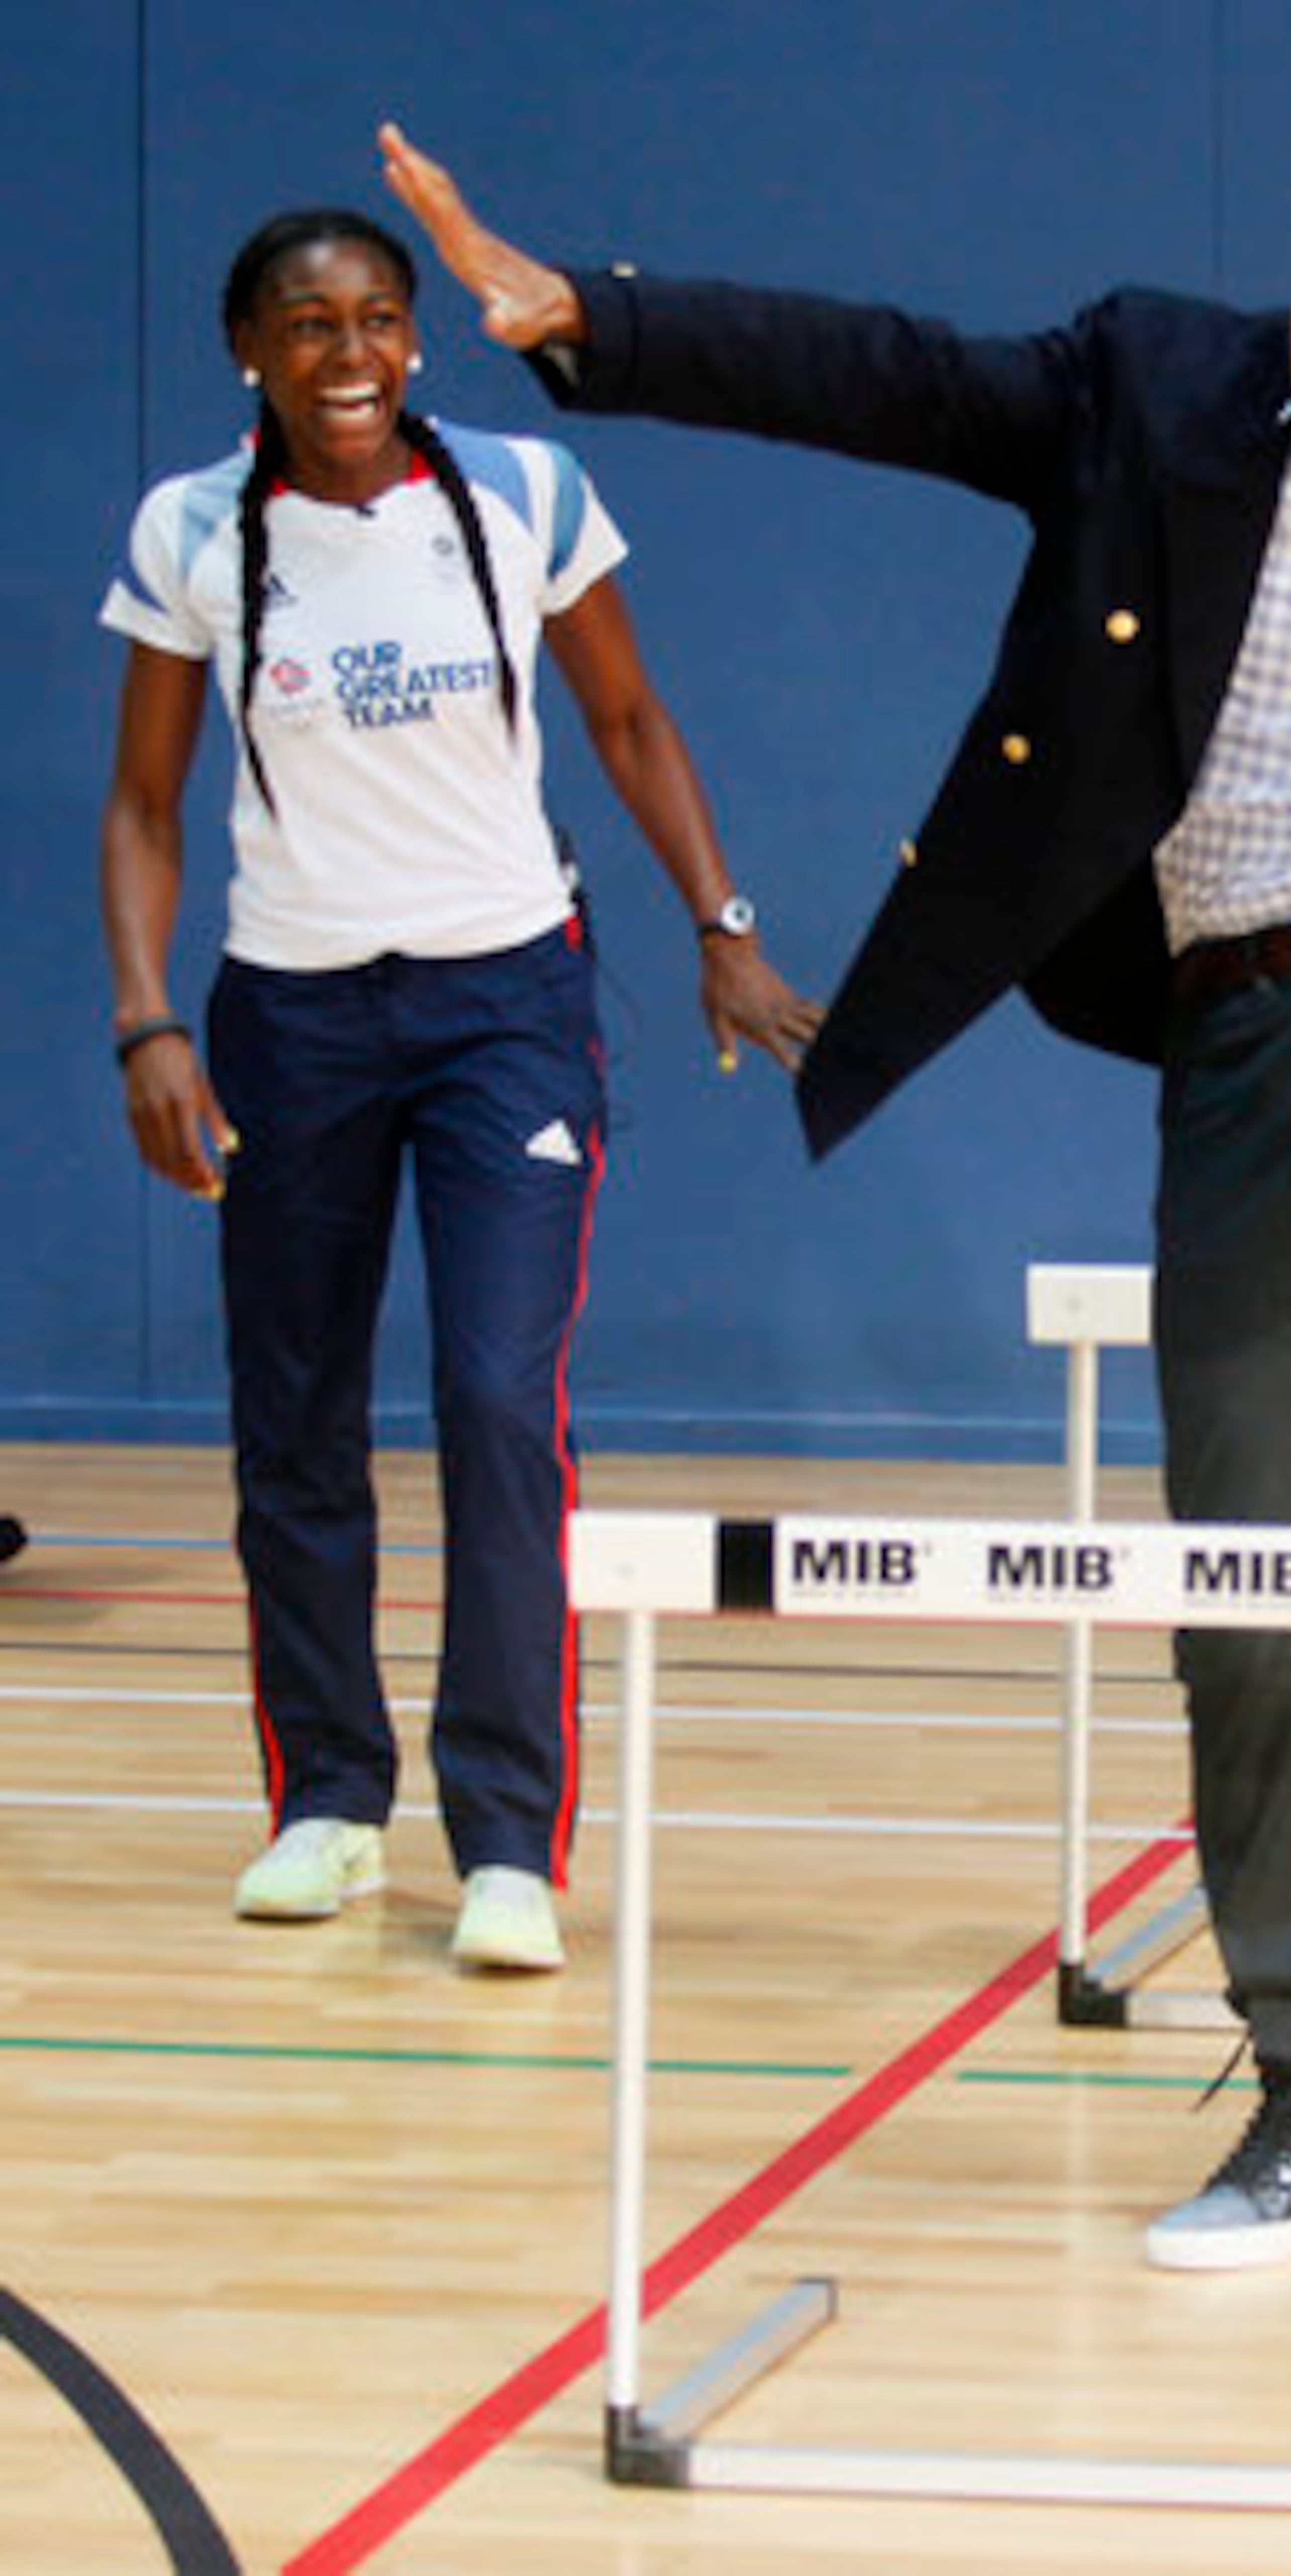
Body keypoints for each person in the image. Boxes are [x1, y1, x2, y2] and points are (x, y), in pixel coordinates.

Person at [379, 124, 1291, 2236]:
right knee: (1255, 1563)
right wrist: (590, 320)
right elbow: (888, 375)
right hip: (1252, 1008)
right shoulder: (1165, 386)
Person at [98, 204, 820, 1976]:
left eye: (378, 320)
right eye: (306, 325)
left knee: (502, 1404)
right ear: (249, 353)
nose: (349, 356)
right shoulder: (194, 530)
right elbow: (142, 803)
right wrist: (147, 1023)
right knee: (298, 1421)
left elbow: (633, 723)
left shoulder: (520, 496)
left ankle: (506, 1838)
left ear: (416, 338)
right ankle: (330, 1806)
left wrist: (719, 927)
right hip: (291, 1018)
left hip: (507, 1005)